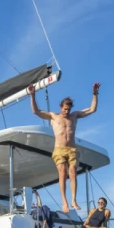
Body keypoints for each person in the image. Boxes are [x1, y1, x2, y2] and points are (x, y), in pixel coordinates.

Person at [28, 81, 101, 212]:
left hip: (72, 149)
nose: (67, 111)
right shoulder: (53, 116)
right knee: (62, 174)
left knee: (72, 173)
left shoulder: (75, 116)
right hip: (59, 150)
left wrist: (95, 93)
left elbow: (92, 109)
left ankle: (73, 199)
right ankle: (64, 202)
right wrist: (32, 95)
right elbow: (36, 111)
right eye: (65, 109)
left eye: (69, 109)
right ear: (60, 107)